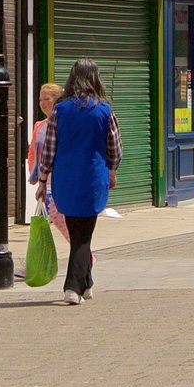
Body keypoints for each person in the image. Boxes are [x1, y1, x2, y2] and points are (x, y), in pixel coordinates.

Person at [34, 60, 122, 305]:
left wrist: (43, 180)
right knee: (83, 235)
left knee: (78, 232)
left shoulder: (59, 110)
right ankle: (72, 287)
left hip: (65, 177)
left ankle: (86, 284)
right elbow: (115, 148)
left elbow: (49, 149)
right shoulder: (104, 110)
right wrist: (112, 171)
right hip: (93, 177)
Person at [28, 81, 67, 243]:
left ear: (57, 100)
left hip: (61, 178)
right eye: (40, 100)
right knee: (48, 217)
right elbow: (33, 152)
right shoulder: (39, 125)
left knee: (57, 216)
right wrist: (34, 175)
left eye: (47, 99)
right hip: (45, 179)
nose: (43, 103)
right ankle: (39, 260)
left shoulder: (63, 124)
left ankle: (84, 254)